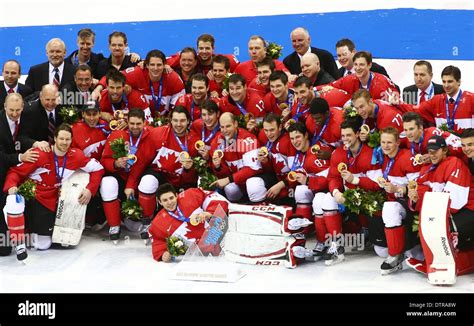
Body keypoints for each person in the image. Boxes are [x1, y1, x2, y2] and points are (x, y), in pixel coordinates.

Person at [3, 124, 104, 260]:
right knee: (12, 201)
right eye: (61, 139)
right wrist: (11, 186)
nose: (64, 142)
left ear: (71, 140)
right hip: (30, 195)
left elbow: (98, 168)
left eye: (67, 139)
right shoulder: (40, 154)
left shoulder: (76, 156)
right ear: (55, 139)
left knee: (43, 244)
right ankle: (19, 242)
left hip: (48, 202)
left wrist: (90, 190)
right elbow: (15, 172)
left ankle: (26, 232)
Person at [125, 106, 200, 233]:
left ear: (188, 121)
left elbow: (192, 178)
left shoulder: (195, 141)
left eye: (182, 121)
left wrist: (189, 169)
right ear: (170, 120)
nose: (178, 124)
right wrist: (130, 184)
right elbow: (142, 160)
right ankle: (146, 222)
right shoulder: (158, 134)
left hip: (180, 182)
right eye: (175, 120)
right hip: (159, 175)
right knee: (147, 182)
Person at [407, 135, 474, 276]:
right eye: (429, 151)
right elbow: (421, 192)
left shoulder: (454, 163)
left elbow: (455, 201)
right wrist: (415, 198)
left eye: (435, 151)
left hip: (468, 207)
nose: (432, 154)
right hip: (448, 210)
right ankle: (437, 263)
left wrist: (431, 207)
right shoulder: (426, 169)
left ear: (444, 150)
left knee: (446, 228)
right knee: (430, 224)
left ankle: (454, 262)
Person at [327, 116, 383, 262]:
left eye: (349, 135)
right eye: (343, 135)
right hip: (349, 197)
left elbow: (377, 185)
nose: (345, 139)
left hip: (371, 199)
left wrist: (355, 180)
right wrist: (336, 192)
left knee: (382, 251)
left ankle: (369, 232)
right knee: (326, 200)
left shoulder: (371, 153)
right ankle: (336, 245)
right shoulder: (338, 153)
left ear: (357, 134)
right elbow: (333, 177)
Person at [99, 109, 152, 242]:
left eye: (138, 123)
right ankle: (114, 225)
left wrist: (130, 186)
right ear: (127, 122)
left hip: (137, 181)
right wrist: (116, 164)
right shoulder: (117, 135)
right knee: (107, 183)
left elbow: (141, 164)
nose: (135, 127)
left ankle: (146, 223)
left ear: (144, 122)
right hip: (121, 178)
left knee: (149, 181)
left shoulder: (151, 136)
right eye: (132, 123)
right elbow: (104, 161)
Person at [376, 127, 422, 275]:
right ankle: (399, 250)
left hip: (412, 206)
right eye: (383, 142)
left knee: (390, 208)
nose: (385, 145)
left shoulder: (407, 158)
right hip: (396, 203)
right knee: (380, 250)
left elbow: (418, 187)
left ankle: (396, 254)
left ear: (397, 142)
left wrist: (397, 189)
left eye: (389, 142)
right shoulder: (384, 157)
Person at [0, 93, 40, 257]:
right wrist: (19, 157)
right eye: (11, 110)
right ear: (4, 107)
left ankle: (25, 236)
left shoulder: (28, 118)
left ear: (23, 107)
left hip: (22, 169)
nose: (15, 114)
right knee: (3, 250)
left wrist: (35, 144)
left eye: (18, 110)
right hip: (2, 168)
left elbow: (26, 137)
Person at [148, 183, 229, 262]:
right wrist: (163, 253)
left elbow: (213, 197)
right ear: (159, 202)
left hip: (222, 238)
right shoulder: (157, 223)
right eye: (165, 200)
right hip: (200, 257)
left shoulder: (191, 195)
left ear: (176, 195)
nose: (169, 202)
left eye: (171, 198)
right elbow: (158, 241)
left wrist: (210, 212)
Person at [395, 65, 474, 135]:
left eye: (450, 81)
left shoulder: (471, 99)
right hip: (443, 148)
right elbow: (415, 109)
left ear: (459, 82)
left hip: (467, 148)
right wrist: (398, 103)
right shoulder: (436, 100)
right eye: (444, 81)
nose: (446, 85)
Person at [209, 112, 262, 202]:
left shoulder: (248, 138)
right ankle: (238, 207)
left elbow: (254, 168)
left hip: (254, 178)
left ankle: (260, 204)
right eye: (222, 127)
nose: (225, 130)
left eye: (228, 126)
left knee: (253, 185)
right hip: (237, 182)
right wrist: (218, 167)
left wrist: (229, 179)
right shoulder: (217, 143)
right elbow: (223, 174)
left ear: (235, 124)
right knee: (230, 189)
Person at [251, 113, 295, 205]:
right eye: (266, 130)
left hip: (290, 183)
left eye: (272, 130)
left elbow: (296, 171)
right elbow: (272, 170)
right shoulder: (263, 137)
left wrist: (280, 185)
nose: (268, 134)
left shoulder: (288, 142)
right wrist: (265, 162)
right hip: (277, 179)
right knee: (253, 183)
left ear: (280, 127)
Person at [329, 51, 399, 100]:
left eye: (361, 64)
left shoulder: (381, 83)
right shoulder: (350, 78)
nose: (358, 68)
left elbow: (390, 105)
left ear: (369, 65)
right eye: (355, 65)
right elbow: (330, 86)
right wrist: (318, 89)